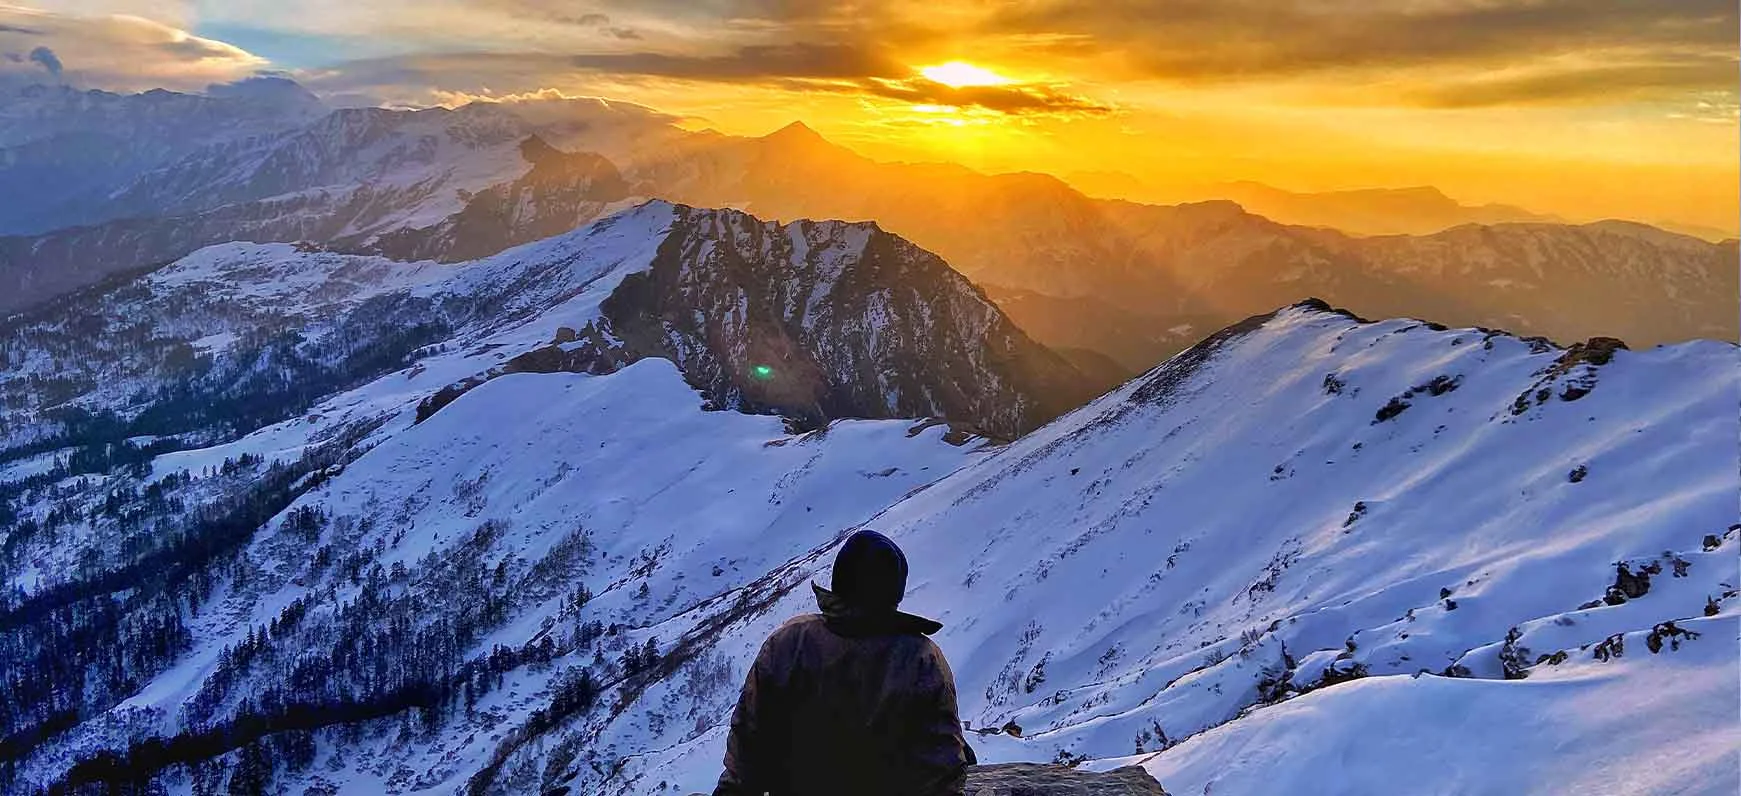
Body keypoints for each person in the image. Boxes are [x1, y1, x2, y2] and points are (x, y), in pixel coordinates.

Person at [713, 529, 971, 796]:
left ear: (840, 581)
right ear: (895, 591)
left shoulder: (790, 644)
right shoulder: (922, 659)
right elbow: (943, 773)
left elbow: (748, 748)